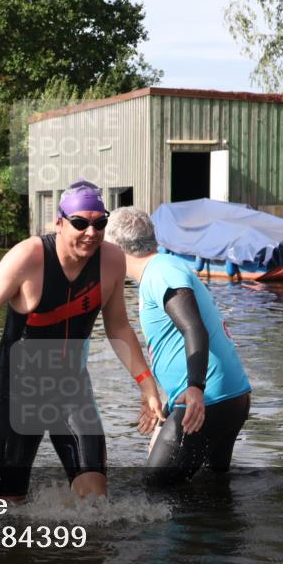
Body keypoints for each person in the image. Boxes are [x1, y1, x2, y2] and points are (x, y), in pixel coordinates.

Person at [0, 181, 163, 500]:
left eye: (100, 223)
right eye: (80, 223)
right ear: (59, 223)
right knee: (10, 506)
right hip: (20, 392)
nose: (91, 232)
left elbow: (119, 329)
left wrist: (147, 384)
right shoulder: (28, 257)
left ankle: (79, 550)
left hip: (72, 387)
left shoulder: (111, 259)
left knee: (95, 497)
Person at [104, 207, 252, 487]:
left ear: (114, 248)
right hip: (225, 398)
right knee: (210, 492)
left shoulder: (161, 272)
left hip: (206, 400)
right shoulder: (163, 268)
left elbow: (193, 327)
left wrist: (196, 387)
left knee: (154, 493)